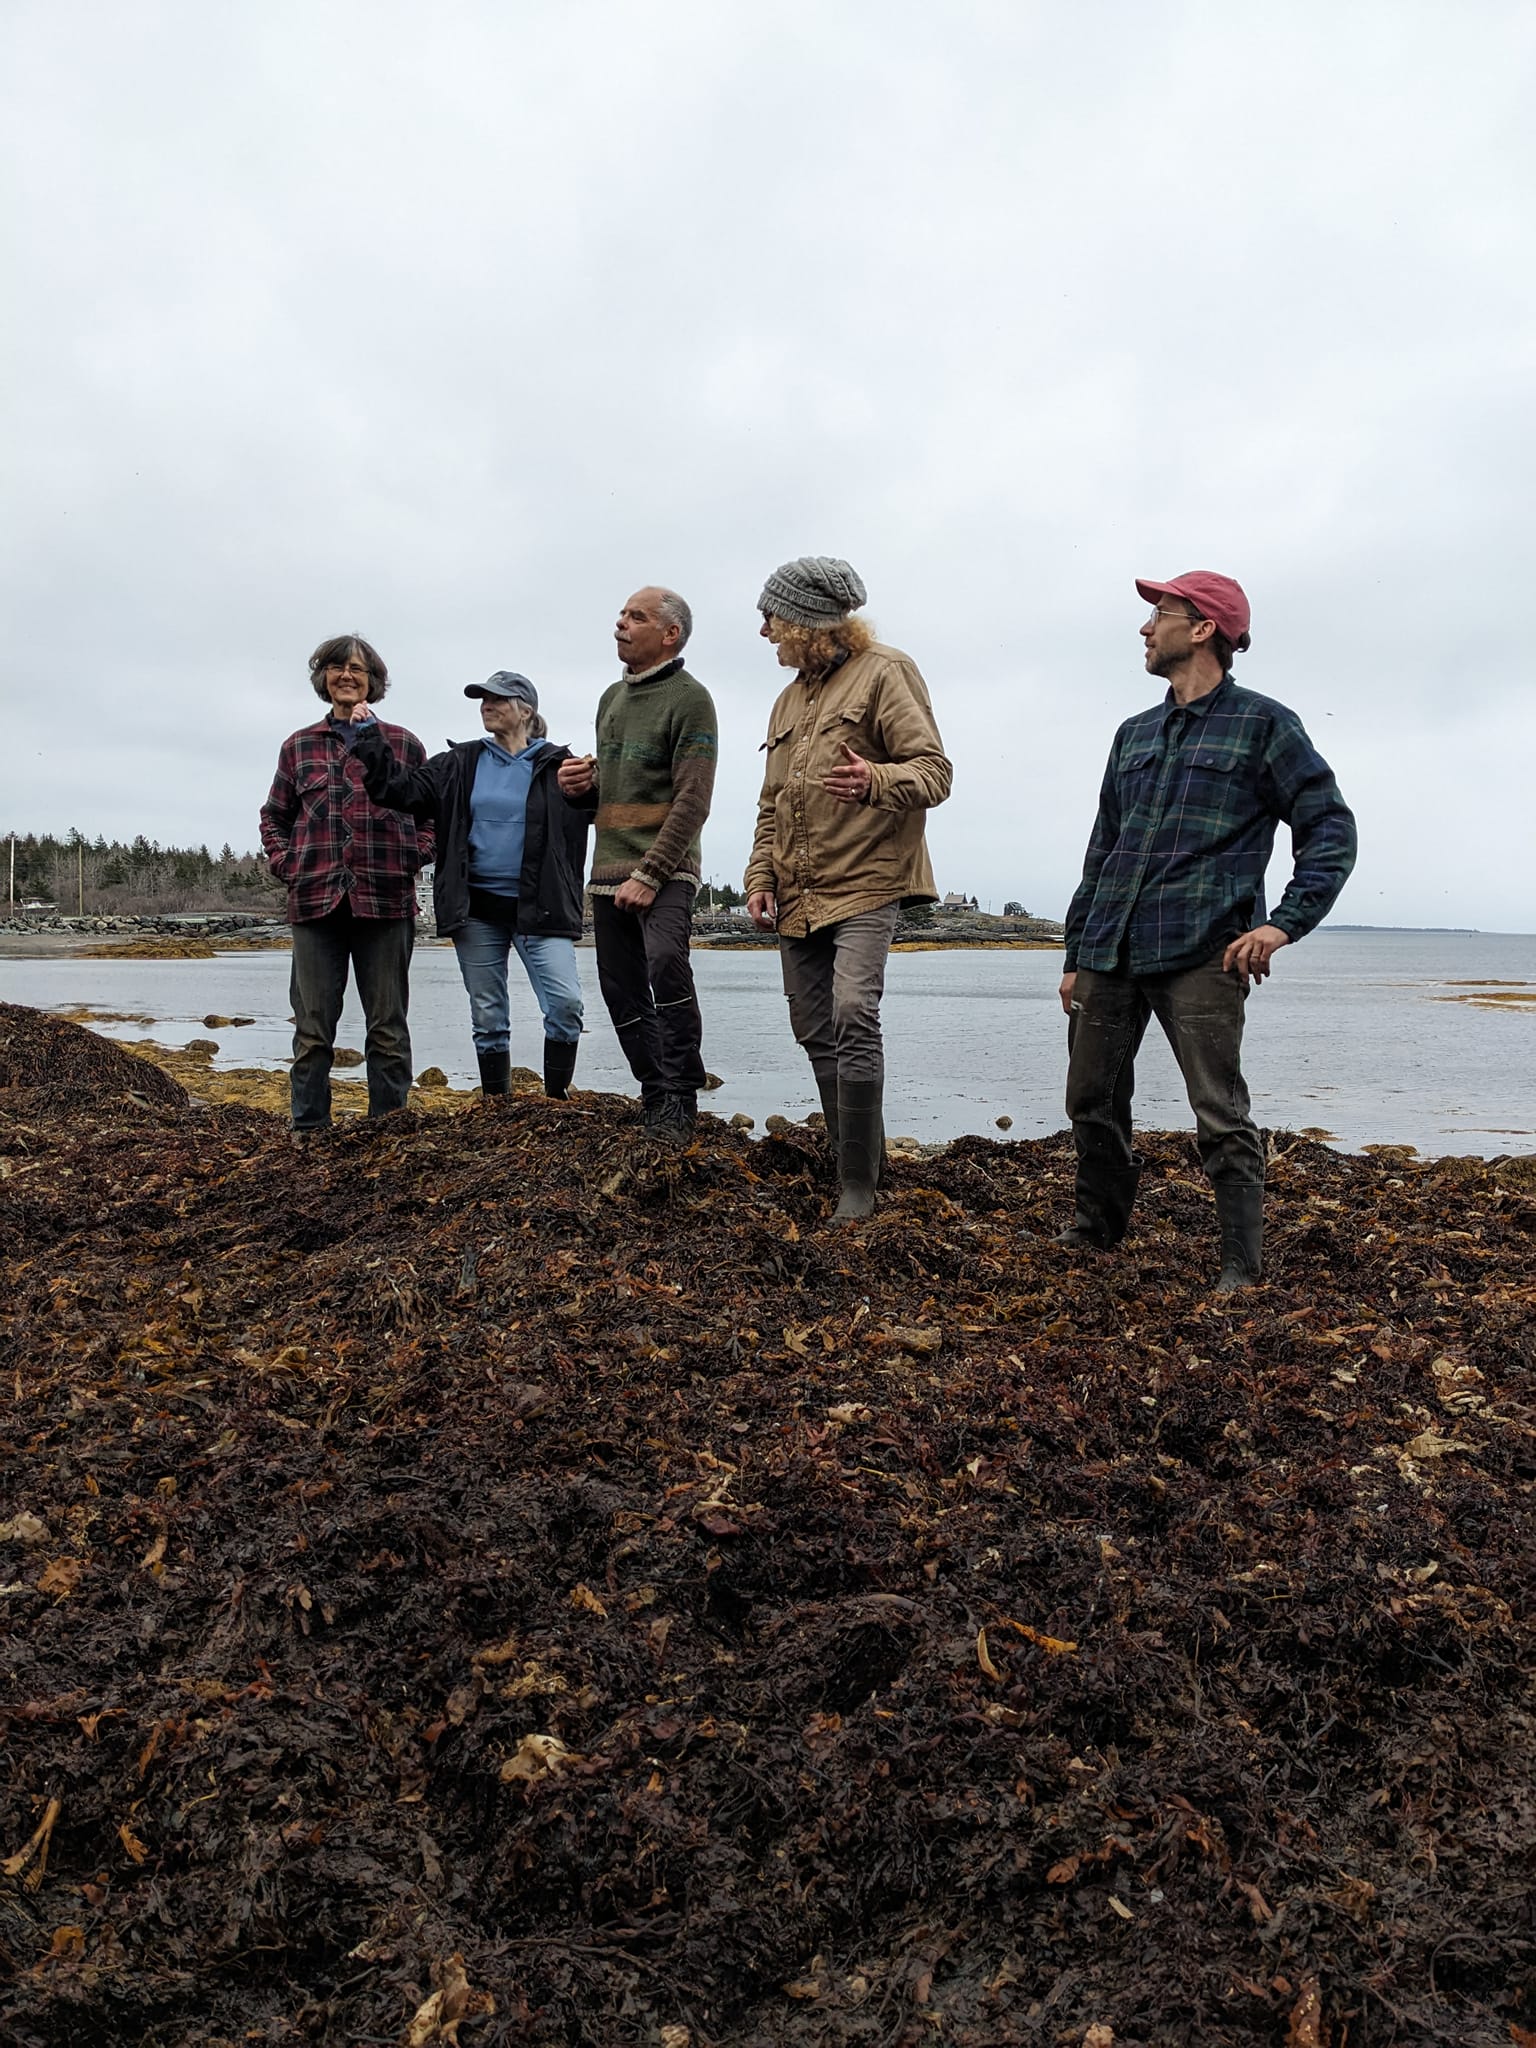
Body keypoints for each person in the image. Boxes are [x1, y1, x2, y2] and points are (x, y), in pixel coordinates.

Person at [1059, 571, 1357, 1291]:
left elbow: (1329, 829)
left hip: (1203, 950)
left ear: (1201, 629)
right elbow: (1103, 849)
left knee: (1219, 1113)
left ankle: (1239, 1268)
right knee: (1090, 1101)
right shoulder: (1133, 734)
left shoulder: (1265, 725)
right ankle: (1099, 1232)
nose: (1143, 628)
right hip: (1110, 950)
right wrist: (1076, 952)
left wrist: (1284, 925)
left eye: (1157, 614)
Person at [745, 557, 952, 1221]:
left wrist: (876, 782)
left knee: (852, 1012)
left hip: (868, 878)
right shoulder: (787, 699)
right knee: (812, 1027)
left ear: (806, 619)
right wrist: (757, 878)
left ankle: (858, 1192)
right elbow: (771, 801)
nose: (764, 631)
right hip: (797, 890)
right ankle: (859, 1160)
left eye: (770, 616)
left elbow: (934, 773)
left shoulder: (887, 671)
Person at [350, 671, 589, 1099]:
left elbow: (598, 807)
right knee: (488, 1014)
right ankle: (497, 1103)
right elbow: (397, 791)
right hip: (476, 910)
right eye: (482, 699)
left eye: (498, 699)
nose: (487, 705)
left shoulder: (559, 765)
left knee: (566, 1005)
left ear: (526, 710)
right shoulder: (459, 763)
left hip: (542, 908)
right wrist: (369, 738)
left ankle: (556, 1101)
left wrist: (596, 784)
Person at [557, 587, 717, 1143]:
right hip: (606, 873)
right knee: (619, 989)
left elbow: (693, 799)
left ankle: (681, 1095)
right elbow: (608, 791)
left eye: (636, 616)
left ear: (670, 634)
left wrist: (650, 873)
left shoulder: (691, 698)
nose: (620, 623)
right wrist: (580, 788)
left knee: (667, 962)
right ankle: (654, 1092)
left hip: (667, 869)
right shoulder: (610, 699)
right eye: (621, 613)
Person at [259, 634, 434, 1138]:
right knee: (313, 1031)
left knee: (387, 1029)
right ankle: (308, 1131)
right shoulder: (299, 746)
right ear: (324, 678)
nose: (347, 676)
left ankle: (389, 1132)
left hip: (386, 899)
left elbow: (432, 816)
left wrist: (415, 855)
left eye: (358, 669)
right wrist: (285, 863)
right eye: (337, 668)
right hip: (315, 901)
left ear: (373, 682)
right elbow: (274, 815)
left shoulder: (404, 743)